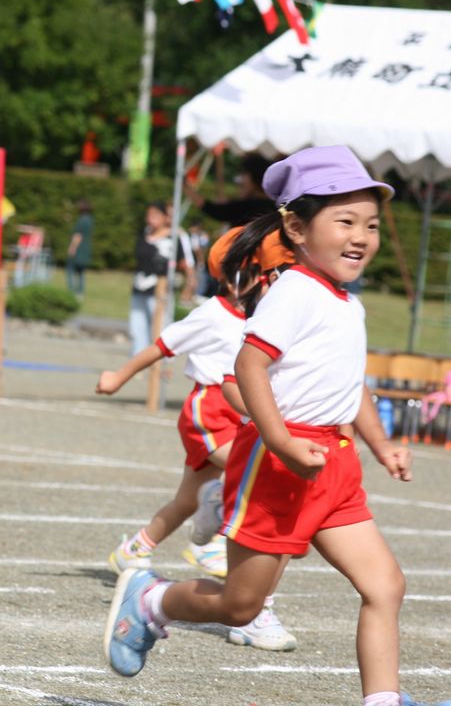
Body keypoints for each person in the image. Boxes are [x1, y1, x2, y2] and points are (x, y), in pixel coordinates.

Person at [103, 146, 451, 706]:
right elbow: (248, 365)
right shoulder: (294, 291)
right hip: (277, 462)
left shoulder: (349, 303)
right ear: (296, 227)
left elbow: (350, 386)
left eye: (369, 224)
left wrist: (383, 444)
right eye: (344, 221)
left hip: (333, 464)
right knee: (240, 606)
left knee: (385, 586)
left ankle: (383, 702)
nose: (361, 236)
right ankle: (151, 602)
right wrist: (281, 441)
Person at [97, 225, 298, 652]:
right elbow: (161, 346)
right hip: (209, 410)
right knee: (249, 473)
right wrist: (118, 376)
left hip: (240, 411)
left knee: (187, 498)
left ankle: (134, 548)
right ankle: (215, 532)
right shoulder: (212, 314)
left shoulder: (265, 317)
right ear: (233, 276)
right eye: (267, 270)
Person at [129, 202, 192, 356]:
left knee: (160, 328)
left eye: (155, 215)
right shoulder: (144, 235)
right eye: (149, 215)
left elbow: (185, 265)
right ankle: (138, 359)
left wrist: (188, 286)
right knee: (137, 327)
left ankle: (160, 365)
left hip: (161, 290)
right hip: (140, 286)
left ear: (165, 217)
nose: (151, 219)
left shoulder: (175, 237)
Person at [186, 152, 277, 227]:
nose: (240, 181)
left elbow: (214, 210)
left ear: (255, 178)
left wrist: (185, 187)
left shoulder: (249, 207)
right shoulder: (276, 207)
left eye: (244, 174)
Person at [66, 199, 93, 297]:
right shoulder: (90, 220)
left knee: (70, 271)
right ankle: (80, 292)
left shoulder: (81, 221)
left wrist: (72, 247)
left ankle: (71, 292)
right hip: (85, 250)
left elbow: (78, 236)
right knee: (81, 273)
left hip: (78, 250)